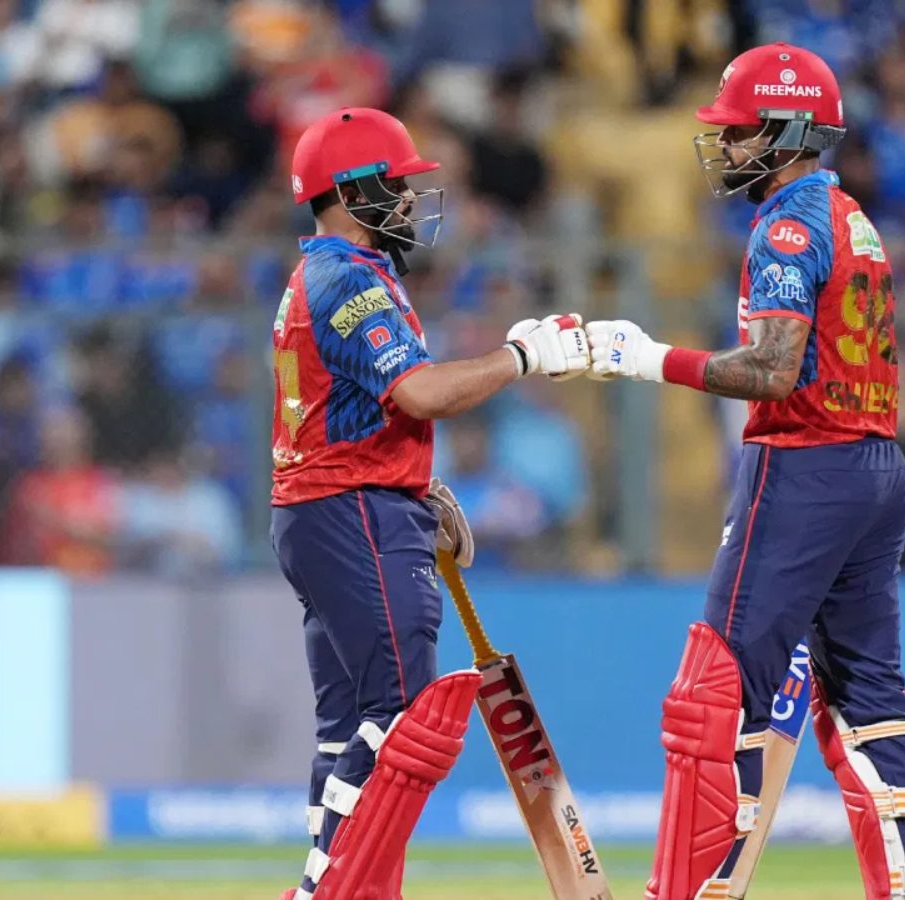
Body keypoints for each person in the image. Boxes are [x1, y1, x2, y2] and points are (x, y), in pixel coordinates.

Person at [584, 43, 905, 900]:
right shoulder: (852, 217)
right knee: (871, 700)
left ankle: (690, 889)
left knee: (715, 693)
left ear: (787, 132)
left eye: (742, 130)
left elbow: (774, 369)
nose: (726, 145)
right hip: (874, 468)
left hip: (803, 466)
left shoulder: (786, 225)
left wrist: (645, 358)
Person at [269, 106, 589, 900]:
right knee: (404, 722)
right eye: (398, 186)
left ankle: (343, 885)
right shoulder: (349, 278)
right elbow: (420, 391)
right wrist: (522, 356)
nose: (411, 202)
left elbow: (355, 410)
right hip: (353, 513)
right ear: (354, 191)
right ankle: (326, 890)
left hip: (329, 508)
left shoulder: (324, 273)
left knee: (351, 725)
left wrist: (410, 480)